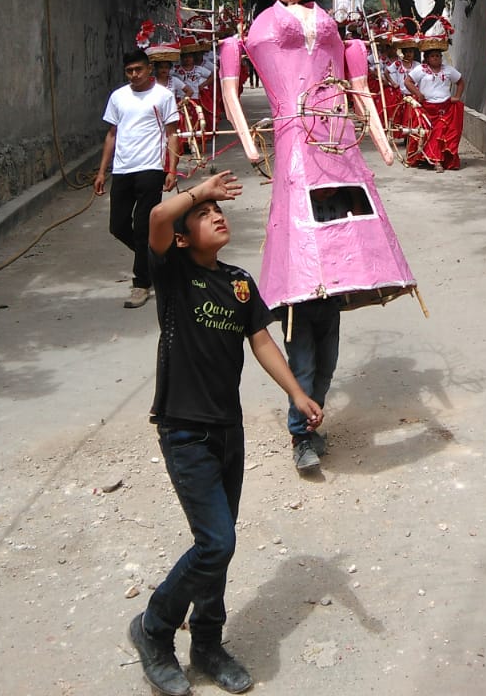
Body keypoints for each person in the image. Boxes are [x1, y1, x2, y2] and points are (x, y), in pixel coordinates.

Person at [219, 0, 418, 474]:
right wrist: (249, 139)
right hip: (294, 150)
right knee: (301, 316)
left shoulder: (333, 28)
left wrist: (378, 135)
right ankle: (301, 429)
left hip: (341, 150)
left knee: (326, 326)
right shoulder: (252, 33)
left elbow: (359, 89)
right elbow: (233, 93)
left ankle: (312, 411)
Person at [127, 170, 323, 696]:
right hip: (183, 429)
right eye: (204, 215)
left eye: (219, 209)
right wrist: (199, 191)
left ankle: (208, 642)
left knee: (220, 545)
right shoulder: (171, 275)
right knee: (216, 542)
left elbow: (260, 341)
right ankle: (154, 628)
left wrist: (297, 394)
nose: (217, 214)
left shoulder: (238, 281)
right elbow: (156, 218)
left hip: (226, 431)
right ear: (184, 236)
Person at [94, 48, 180, 308]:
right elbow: (112, 134)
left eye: (138, 70)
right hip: (122, 169)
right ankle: (158, 259)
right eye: (129, 71)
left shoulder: (163, 96)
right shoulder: (118, 97)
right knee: (118, 226)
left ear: (148, 69)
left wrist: (172, 169)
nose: (134, 75)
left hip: (150, 168)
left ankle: (141, 284)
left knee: (144, 227)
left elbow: (172, 134)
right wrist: (101, 171)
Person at [404, 46, 465, 171]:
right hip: (426, 108)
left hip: (445, 108)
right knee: (429, 133)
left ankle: (438, 161)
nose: (436, 58)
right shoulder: (420, 69)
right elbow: (408, 82)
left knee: (440, 133)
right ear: (426, 58)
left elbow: (460, 82)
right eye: (432, 56)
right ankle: (433, 160)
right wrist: (418, 94)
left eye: (438, 56)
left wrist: (457, 97)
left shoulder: (448, 70)